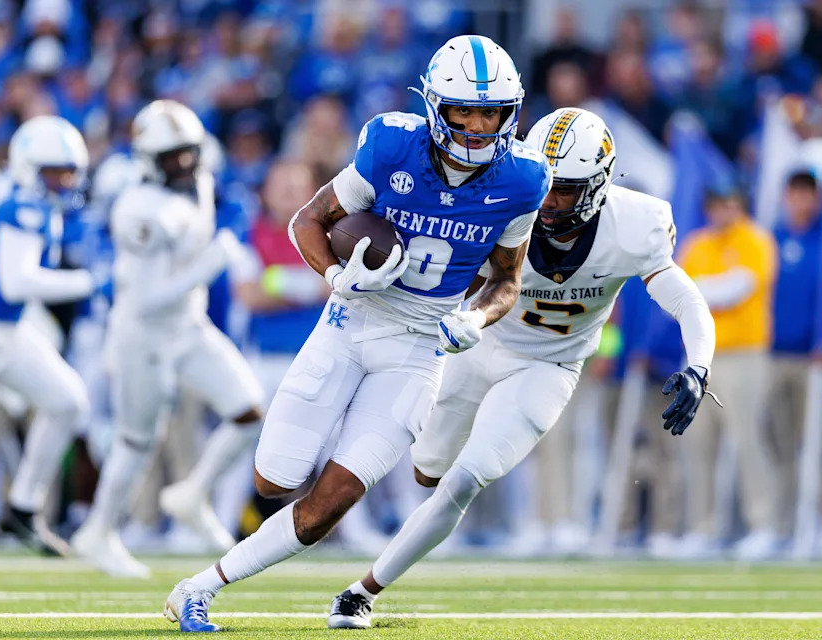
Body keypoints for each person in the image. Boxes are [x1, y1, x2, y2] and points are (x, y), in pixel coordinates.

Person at [163, 35, 550, 632]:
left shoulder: (524, 179)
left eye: (491, 113)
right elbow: (308, 221)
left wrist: (473, 318)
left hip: (420, 347)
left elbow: (506, 280)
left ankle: (200, 588)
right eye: (464, 111)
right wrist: (335, 275)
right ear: (435, 107)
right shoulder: (391, 144)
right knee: (274, 480)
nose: (478, 126)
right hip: (351, 322)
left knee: (332, 502)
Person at [325, 107, 717, 629]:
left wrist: (699, 367)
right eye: (546, 186)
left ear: (598, 186)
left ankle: (361, 593)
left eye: (565, 191)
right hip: (479, 344)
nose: (549, 201)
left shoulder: (634, 224)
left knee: (463, 481)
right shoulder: (505, 198)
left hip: (549, 365)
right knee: (427, 469)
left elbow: (687, 300)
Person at [71, 100, 266, 578]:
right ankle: (98, 530)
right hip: (144, 335)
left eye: (188, 152)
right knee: (138, 441)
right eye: (171, 156)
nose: (184, 163)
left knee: (248, 411)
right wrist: (213, 261)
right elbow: (146, 300)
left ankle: (193, 493)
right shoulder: (139, 210)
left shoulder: (201, 181)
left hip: (188, 326)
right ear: (148, 160)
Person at [0, 115, 95, 555]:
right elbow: (17, 283)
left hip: (4, 328)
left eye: (68, 172)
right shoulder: (22, 204)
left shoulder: (9, 195)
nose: (63, 182)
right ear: (27, 167)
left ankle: (22, 507)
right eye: (53, 172)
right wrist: (91, 282)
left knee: (67, 400)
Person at [678, 187, 779, 560]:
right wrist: (706, 290)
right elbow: (680, 294)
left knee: (748, 439)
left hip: (743, 354)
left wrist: (704, 290)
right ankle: (702, 528)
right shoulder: (697, 244)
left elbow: (737, 288)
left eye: (731, 203)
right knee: (697, 443)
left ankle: (763, 525)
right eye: (718, 204)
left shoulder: (755, 239)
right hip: (700, 356)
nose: (724, 211)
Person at [768, 170, 822, 556]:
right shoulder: (771, 239)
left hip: (812, 358)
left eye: (807, 194)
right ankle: (784, 525)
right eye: (795, 193)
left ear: (817, 199)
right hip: (773, 355)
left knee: (819, 445)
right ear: (786, 196)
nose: (801, 201)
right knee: (780, 445)